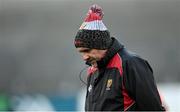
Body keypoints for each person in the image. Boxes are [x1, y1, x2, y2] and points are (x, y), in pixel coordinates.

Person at [74, 4, 165, 111]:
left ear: (100, 44)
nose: (84, 57)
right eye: (81, 52)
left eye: (87, 51)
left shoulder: (130, 64)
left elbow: (153, 109)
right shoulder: (92, 71)